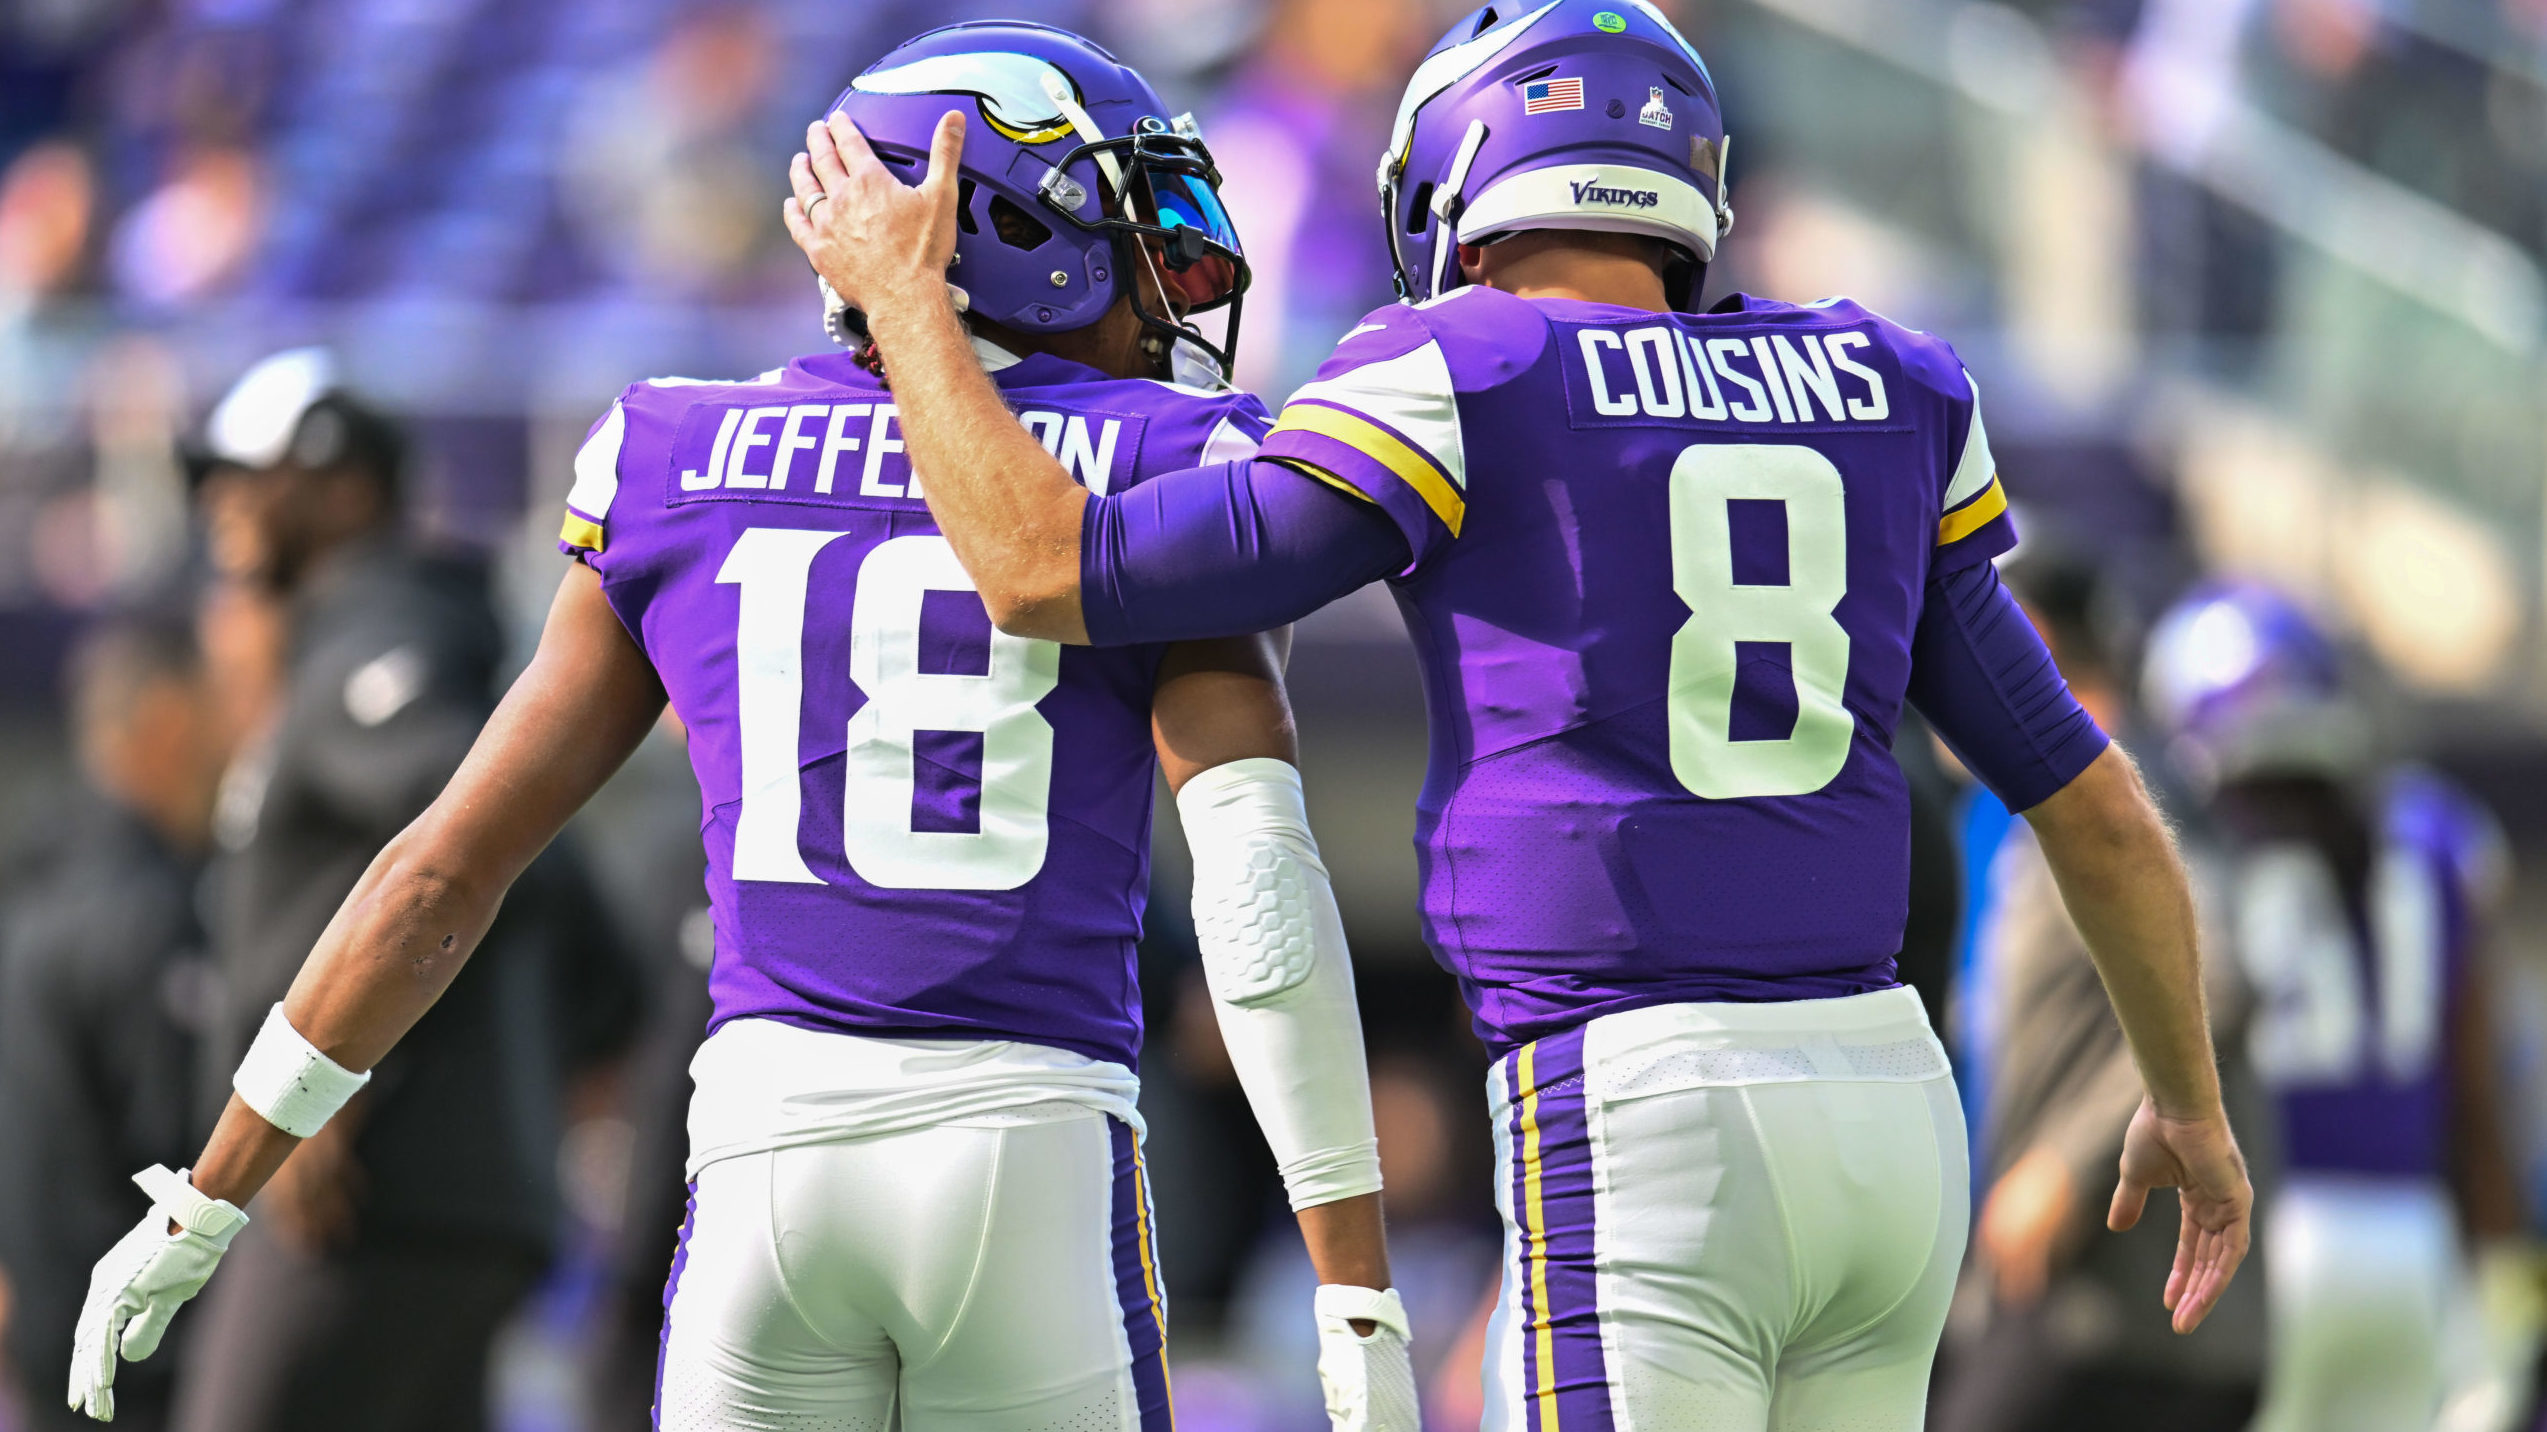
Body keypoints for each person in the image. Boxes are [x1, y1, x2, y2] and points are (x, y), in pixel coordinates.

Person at [786, 2, 2256, 1425]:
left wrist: (907, 303)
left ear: (1456, 177)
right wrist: (2183, 1102)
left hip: (1637, 1098)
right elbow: (2096, 808)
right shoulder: (1874, 378)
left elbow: (1045, 570)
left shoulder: (1460, 366)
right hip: (1885, 1111)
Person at [67, 24, 1418, 1432]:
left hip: (763, 1169)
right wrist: (1353, 1285)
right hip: (1028, 1149)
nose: (1167, 279)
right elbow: (1258, 894)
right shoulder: (1157, 463)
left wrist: (208, 1196)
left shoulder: (670, 455)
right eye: (1128, 223)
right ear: (1010, 226)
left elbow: (439, 872)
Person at [85, 348, 642, 1432]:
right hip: (429, 1202)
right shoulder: (358, 640)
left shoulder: (372, 634)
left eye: (252, 474)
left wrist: (334, 1084)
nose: (221, 502)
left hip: (371, 1201)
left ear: (346, 489)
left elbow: (476, 848)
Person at [2140, 581, 2525, 1432]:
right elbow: (2474, 1091)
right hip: (2412, 1236)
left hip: (2264, 1223)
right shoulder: (2436, 833)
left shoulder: (2191, 845)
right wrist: (2500, 1280)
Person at [1931, 552, 2268, 1432]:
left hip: (2127, 1310)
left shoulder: (2126, 792)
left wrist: (2061, 1166)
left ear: (2022, 635)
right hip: (2054, 1300)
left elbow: (2221, 980)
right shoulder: (1995, 804)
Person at [0, 620, 224, 1432]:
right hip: (143, 1362)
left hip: (47, 1350)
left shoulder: (32, 889)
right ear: (168, 719)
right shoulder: (146, 918)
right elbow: (189, 1153)